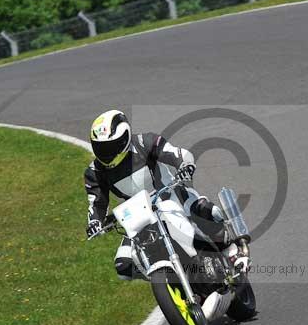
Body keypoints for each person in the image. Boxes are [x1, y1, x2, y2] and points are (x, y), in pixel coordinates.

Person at [84, 109, 230, 280]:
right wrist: (94, 221)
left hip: (172, 194)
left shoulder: (144, 142)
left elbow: (177, 154)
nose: (106, 153)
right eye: (100, 147)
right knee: (123, 265)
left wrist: (185, 165)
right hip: (139, 216)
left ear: (124, 138)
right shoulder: (94, 172)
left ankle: (232, 250)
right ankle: (166, 280)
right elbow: (97, 203)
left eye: (110, 146)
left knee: (208, 212)